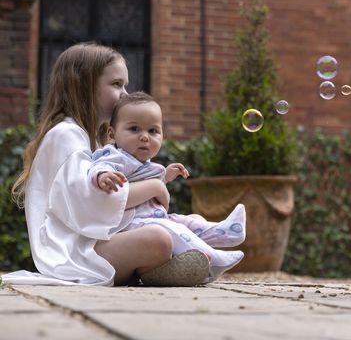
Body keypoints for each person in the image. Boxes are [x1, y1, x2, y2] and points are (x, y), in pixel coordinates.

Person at [2, 43, 208, 287]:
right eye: (116, 84)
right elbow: (94, 204)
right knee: (159, 240)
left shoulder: (95, 140)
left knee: (184, 227)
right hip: (75, 253)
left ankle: (162, 265)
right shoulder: (66, 135)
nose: (125, 94)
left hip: (95, 241)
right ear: (85, 86)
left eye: (125, 85)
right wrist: (154, 187)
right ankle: (156, 266)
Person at [88, 91, 245, 282]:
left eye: (153, 131)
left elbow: (145, 185)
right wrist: (102, 176)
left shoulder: (144, 163)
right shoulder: (116, 155)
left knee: (189, 221)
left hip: (150, 218)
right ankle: (213, 258)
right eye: (135, 129)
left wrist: (166, 176)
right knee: (169, 228)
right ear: (112, 134)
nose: (145, 137)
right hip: (132, 225)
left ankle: (225, 233)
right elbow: (100, 165)